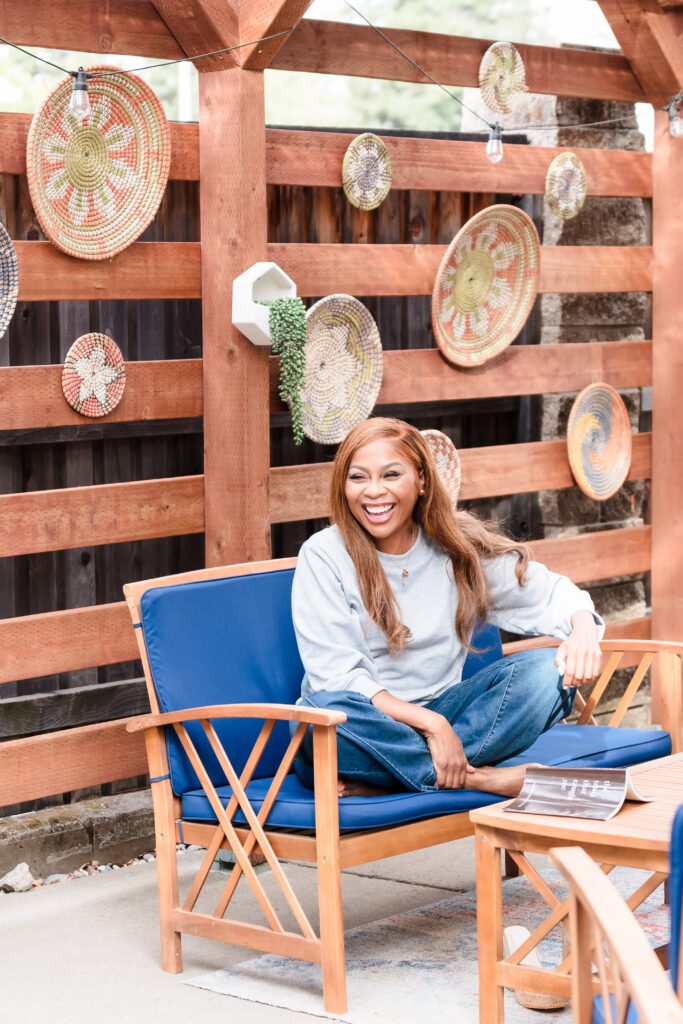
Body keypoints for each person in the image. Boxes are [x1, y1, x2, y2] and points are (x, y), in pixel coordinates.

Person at [291, 417, 604, 799]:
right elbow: (337, 677)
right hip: (364, 726)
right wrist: (432, 725)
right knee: (324, 714)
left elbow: (548, 591)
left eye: (391, 475)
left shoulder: (455, 549)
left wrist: (583, 631)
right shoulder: (324, 555)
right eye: (358, 478)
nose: (374, 492)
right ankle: (478, 778)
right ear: (343, 485)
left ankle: (399, 777)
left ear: (421, 480)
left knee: (547, 673)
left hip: (450, 716)